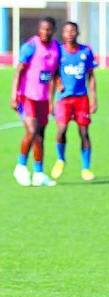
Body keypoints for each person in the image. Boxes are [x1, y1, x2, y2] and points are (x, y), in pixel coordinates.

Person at [11, 16, 60, 187]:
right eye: (42, 29)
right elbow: (19, 71)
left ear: (53, 30)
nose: (45, 32)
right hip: (27, 96)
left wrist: (52, 101)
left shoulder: (56, 48)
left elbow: (54, 75)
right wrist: (13, 95)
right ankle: (21, 166)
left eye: (48, 29)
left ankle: (38, 174)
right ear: (38, 29)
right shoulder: (30, 46)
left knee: (40, 137)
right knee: (31, 131)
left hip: (42, 99)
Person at [50, 21, 98, 182]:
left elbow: (91, 76)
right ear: (62, 34)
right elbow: (53, 74)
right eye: (66, 31)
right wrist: (57, 85)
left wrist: (93, 98)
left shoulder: (86, 51)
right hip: (63, 99)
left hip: (81, 98)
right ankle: (60, 159)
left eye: (73, 31)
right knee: (61, 130)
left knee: (84, 132)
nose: (70, 34)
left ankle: (86, 168)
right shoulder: (58, 51)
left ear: (77, 33)